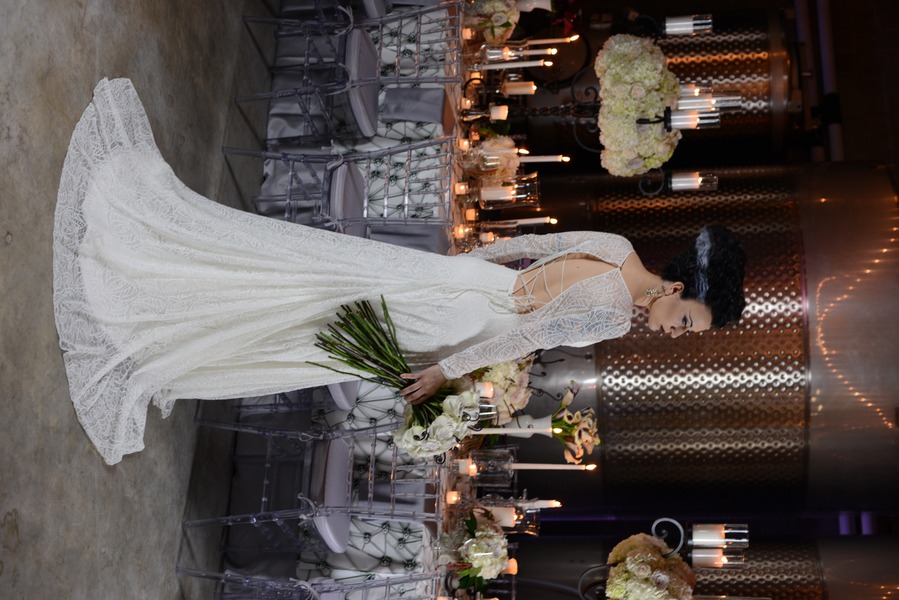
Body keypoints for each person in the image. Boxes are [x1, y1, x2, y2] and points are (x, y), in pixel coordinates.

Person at [54, 79, 746, 464]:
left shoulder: (619, 243)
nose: (675, 331)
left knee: (316, 282)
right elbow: (519, 339)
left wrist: (462, 264)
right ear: (678, 287)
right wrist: (447, 371)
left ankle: (177, 290)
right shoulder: (611, 314)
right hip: (466, 317)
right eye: (685, 322)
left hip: (461, 286)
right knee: (312, 325)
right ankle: (172, 323)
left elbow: (534, 243)